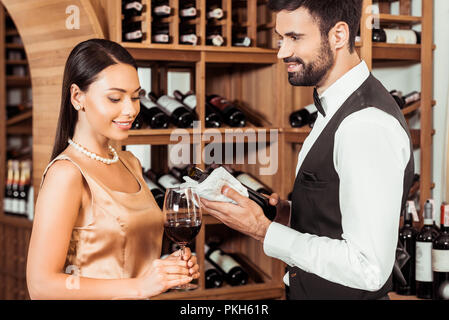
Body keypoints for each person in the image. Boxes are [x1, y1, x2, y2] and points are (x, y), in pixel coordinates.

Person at [200, 0, 414, 300]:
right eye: (280, 38)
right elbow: (335, 213)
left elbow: (369, 268)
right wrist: (284, 214)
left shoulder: (365, 124)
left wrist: (263, 230)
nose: (282, 52)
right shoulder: (334, 106)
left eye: (294, 38)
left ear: (338, 36)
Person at [26, 39, 199, 300]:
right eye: (115, 98)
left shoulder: (130, 164)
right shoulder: (66, 174)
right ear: (77, 97)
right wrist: (140, 286)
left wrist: (167, 270)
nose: (130, 110)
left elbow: (129, 258)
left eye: (135, 97)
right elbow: (41, 286)